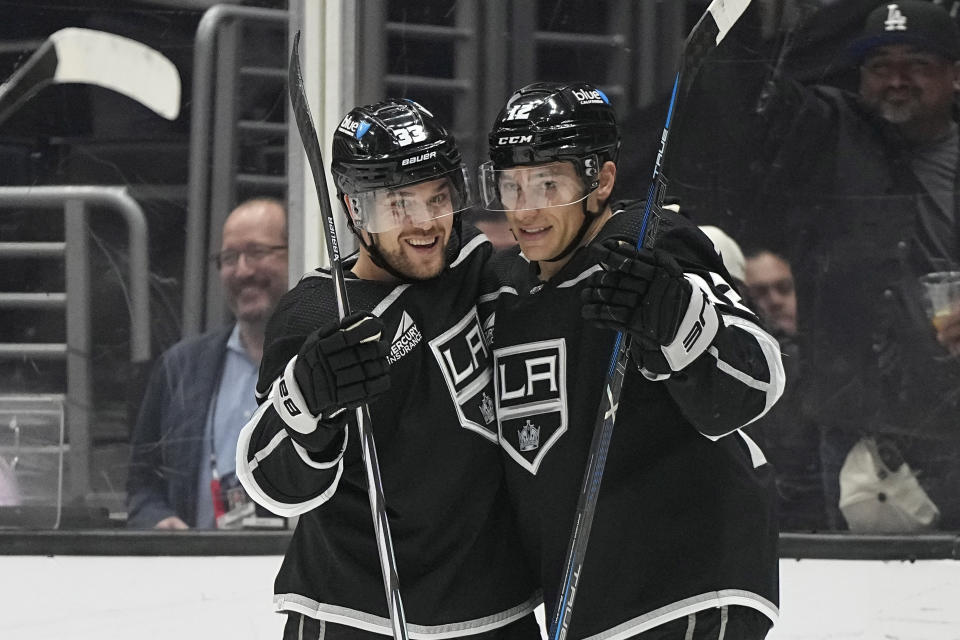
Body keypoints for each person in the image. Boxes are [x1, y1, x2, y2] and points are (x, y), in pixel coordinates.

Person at [478, 81, 785, 639]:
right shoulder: (505, 288)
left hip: (686, 586)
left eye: (548, 184)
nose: (525, 209)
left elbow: (756, 380)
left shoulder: (650, 245)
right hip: (587, 607)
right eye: (511, 185)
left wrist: (675, 314)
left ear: (601, 181)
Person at [235, 99, 540, 639]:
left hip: (497, 612)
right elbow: (270, 483)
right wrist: (307, 402)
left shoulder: (477, 266)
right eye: (398, 205)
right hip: (359, 615)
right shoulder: (318, 315)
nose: (425, 223)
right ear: (354, 211)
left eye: (438, 199)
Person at [750, 0, 960, 529]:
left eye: (917, 64)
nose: (897, 81)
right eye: (879, 67)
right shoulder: (832, 138)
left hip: (952, 419)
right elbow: (761, 96)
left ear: (955, 76)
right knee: (858, 590)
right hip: (853, 420)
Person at [126, 198, 288, 529]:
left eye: (256, 252)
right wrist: (159, 519)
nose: (243, 271)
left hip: (294, 571)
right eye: (229, 258)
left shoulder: (326, 362)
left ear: (296, 251)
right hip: (198, 572)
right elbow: (142, 485)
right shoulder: (181, 367)